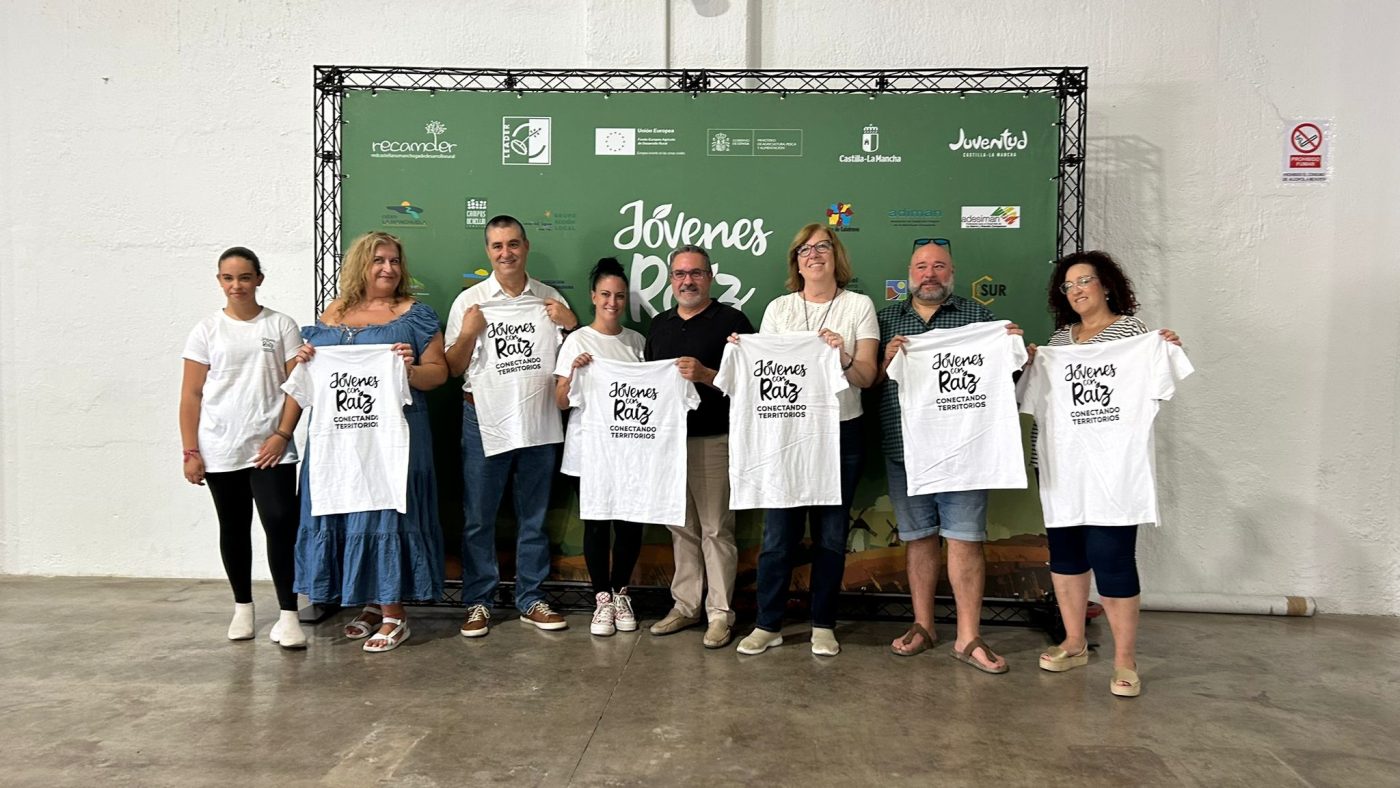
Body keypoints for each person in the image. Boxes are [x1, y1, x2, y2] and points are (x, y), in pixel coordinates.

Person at [1029, 250, 1180, 697]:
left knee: (1112, 557)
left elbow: (1157, 384)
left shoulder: (1133, 334)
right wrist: (1032, 361)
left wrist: (1166, 349)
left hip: (1113, 468)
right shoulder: (1058, 342)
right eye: (1068, 285)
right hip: (1060, 465)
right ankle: (1074, 642)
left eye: (1084, 281)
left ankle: (1125, 660)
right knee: (1066, 556)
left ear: (1106, 285)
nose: (1076, 290)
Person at [294, 231, 448, 653]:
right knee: (346, 506)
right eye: (379, 260)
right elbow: (307, 377)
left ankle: (396, 614)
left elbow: (439, 373)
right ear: (361, 264)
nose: (388, 268)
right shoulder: (333, 313)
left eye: (395, 261)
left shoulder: (416, 315)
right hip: (340, 438)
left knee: (385, 511)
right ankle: (372, 603)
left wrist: (408, 370)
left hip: (394, 436)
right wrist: (304, 359)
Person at [733, 225, 878, 657]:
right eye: (804, 249)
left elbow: (867, 376)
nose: (814, 255)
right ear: (795, 261)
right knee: (779, 536)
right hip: (788, 434)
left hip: (841, 434)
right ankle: (768, 624)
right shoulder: (779, 309)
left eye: (822, 247)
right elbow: (764, 371)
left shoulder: (858, 306)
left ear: (836, 255)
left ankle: (823, 624)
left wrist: (844, 355)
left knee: (831, 536)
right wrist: (743, 352)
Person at [878, 238, 1020, 673]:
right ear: (909, 273)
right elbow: (866, 382)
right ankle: (923, 626)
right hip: (904, 450)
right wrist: (886, 360)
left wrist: (1014, 350)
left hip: (964, 453)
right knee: (918, 538)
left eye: (939, 266)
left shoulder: (980, 318)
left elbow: (1005, 377)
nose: (930, 274)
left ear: (952, 273)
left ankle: (968, 636)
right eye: (921, 266)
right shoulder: (885, 319)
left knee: (965, 540)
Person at [446, 215, 579, 637]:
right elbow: (453, 367)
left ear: (526, 246)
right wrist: (469, 334)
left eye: (513, 244)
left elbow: (575, 358)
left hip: (538, 417)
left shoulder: (549, 299)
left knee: (534, 515)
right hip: (483, 417)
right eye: (498, 246)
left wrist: (571, 324)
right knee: (479, 516)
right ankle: (478, 601)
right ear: (488, 251)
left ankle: (530, 597)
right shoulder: (470, 302)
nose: (507, 253)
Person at [179, 247, 306, 648]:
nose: (237, 285)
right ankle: (243, 608)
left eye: (245, 277)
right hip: (221, 447)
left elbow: (298, 387)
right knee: (233, 527)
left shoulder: (281, 325)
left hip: (271, 448)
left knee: (281, 524)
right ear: (220, 281)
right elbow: (191, 395)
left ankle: (289, 615)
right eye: (228, 278)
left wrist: (282, 434)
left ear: (258, 279)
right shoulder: (206, 330)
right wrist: (190, 451)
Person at [644, 245, 755, 649]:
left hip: (714, 440)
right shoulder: (659, 325)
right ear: (670, 279)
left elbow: (754, 381)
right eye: (679, 274)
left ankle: (720, 613)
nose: (687, 281)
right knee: (680, 527)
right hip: (669, 445)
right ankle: (686, 605)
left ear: (710, 277)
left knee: (715, 528)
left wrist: (708, 375)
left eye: (695, 273)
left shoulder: (733, 322)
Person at [553, 258, 647, 637]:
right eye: (605, 294)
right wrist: (573, 373)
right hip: (588, 451)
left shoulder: (637, 342)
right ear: (593, 297)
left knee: (629, 524)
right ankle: (601, 599)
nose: (612, 302)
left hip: (630, 451)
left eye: (619, 296)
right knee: (596, 525)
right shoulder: (577, 341)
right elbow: (560, 401)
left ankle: (621, 593)